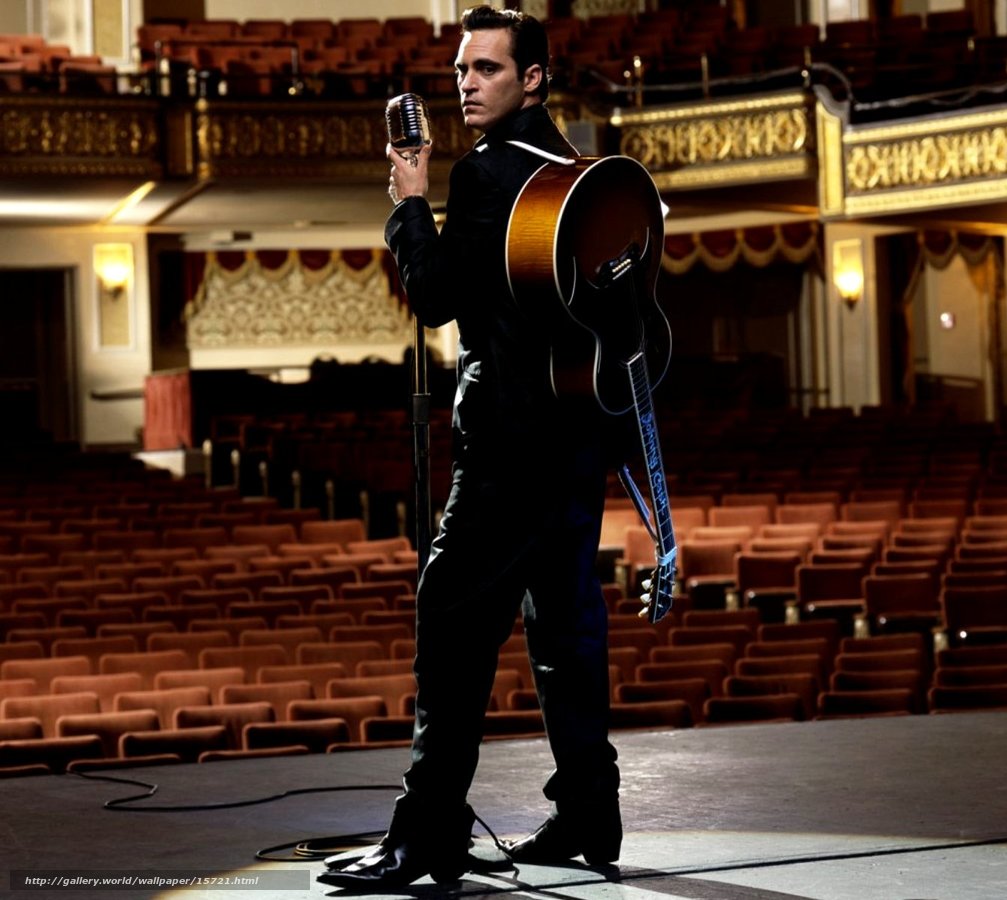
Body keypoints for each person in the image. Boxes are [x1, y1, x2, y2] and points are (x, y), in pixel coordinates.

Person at [318, 6, 624, 890]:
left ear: (533, 79)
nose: (466, 82)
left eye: (487, 68)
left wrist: (411, 204)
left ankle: (427, 835)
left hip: (507, 448)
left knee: (450, 624)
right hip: (576, 442)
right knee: (564, 630)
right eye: (461, 69)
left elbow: (437, 298)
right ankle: (588, 813)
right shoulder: (577, 173)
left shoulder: (490, 173)